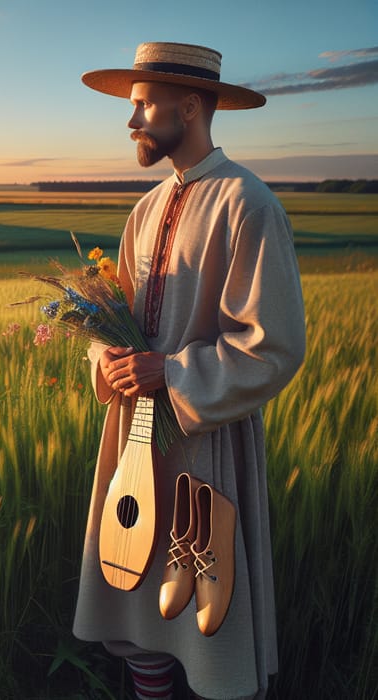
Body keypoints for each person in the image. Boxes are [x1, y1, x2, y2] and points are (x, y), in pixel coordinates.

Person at [72, 42, 306, 700]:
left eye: (143, 105)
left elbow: (273, 345)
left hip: (204, 445)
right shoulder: (144, 212)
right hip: (133, 441)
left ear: (192, 106)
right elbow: (108, 317)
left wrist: (170, 374)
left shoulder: (248, 204)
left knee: (204, 614)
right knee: (138, 613)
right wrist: (108, 359)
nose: (132, 120)